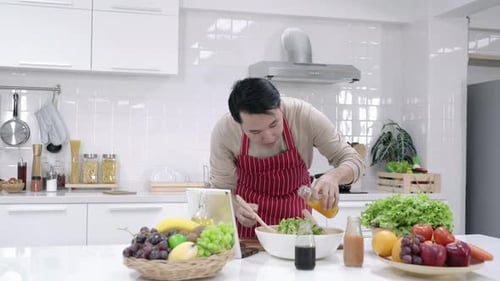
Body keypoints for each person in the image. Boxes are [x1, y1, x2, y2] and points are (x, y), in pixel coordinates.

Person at [209, 77, 365, 238]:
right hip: (250, 233)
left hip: (298, 228)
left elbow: (354, 160)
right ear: (239, 124)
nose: (269, 137)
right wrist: (236, 208)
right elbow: (221, 192)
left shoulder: (303, 115)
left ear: (280, 108)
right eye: (255, 132)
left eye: (274, 124)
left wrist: (334, 177)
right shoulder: (225, 131)